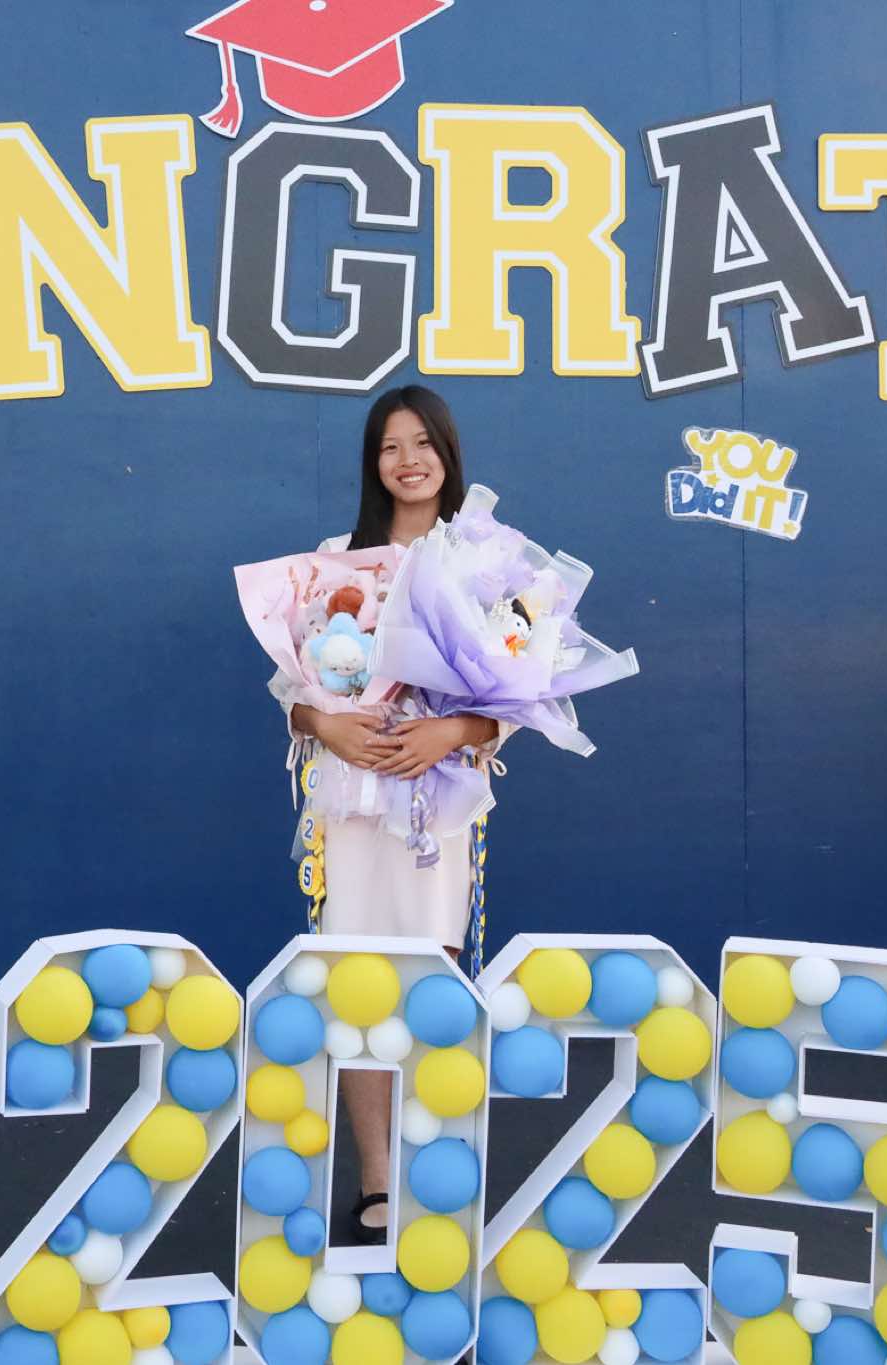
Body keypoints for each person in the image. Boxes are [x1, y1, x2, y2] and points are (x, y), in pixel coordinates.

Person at [267, 383, 512, 1243]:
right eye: (389, 446)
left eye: (423, 442)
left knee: (431, 983)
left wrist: (451, 730)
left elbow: (518, 692)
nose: (409, 460)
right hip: (354, 807)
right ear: (373, 463)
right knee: (358, 983)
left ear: (448, 452)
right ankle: (376, 1179)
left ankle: (433, 1174)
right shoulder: (336, 562)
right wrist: (325, 723)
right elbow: (292, 687)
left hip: (436, 810)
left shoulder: (486, 562)